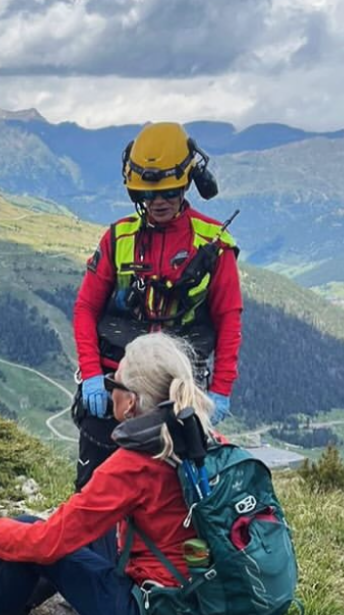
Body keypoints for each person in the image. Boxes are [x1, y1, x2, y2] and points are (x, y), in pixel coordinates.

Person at [0, 332, 221, 615]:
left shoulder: (134, 465)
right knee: (79, 535)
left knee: (25, 532)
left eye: (114, 384)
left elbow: (46, 541)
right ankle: (17, 594)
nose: (110, 392)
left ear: (132, 400)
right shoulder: (205, 441)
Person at [73, 122, 242, 491]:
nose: (158, 202)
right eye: (149, 196)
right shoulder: (118, 238)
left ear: (186, 184)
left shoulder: (214, 244)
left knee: (169, 494)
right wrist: (89, 374)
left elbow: (229, 318)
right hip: (114, 384)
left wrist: (221, 389)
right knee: (94, 488)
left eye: (168, 192)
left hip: (177, 388)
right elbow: (86, 308)